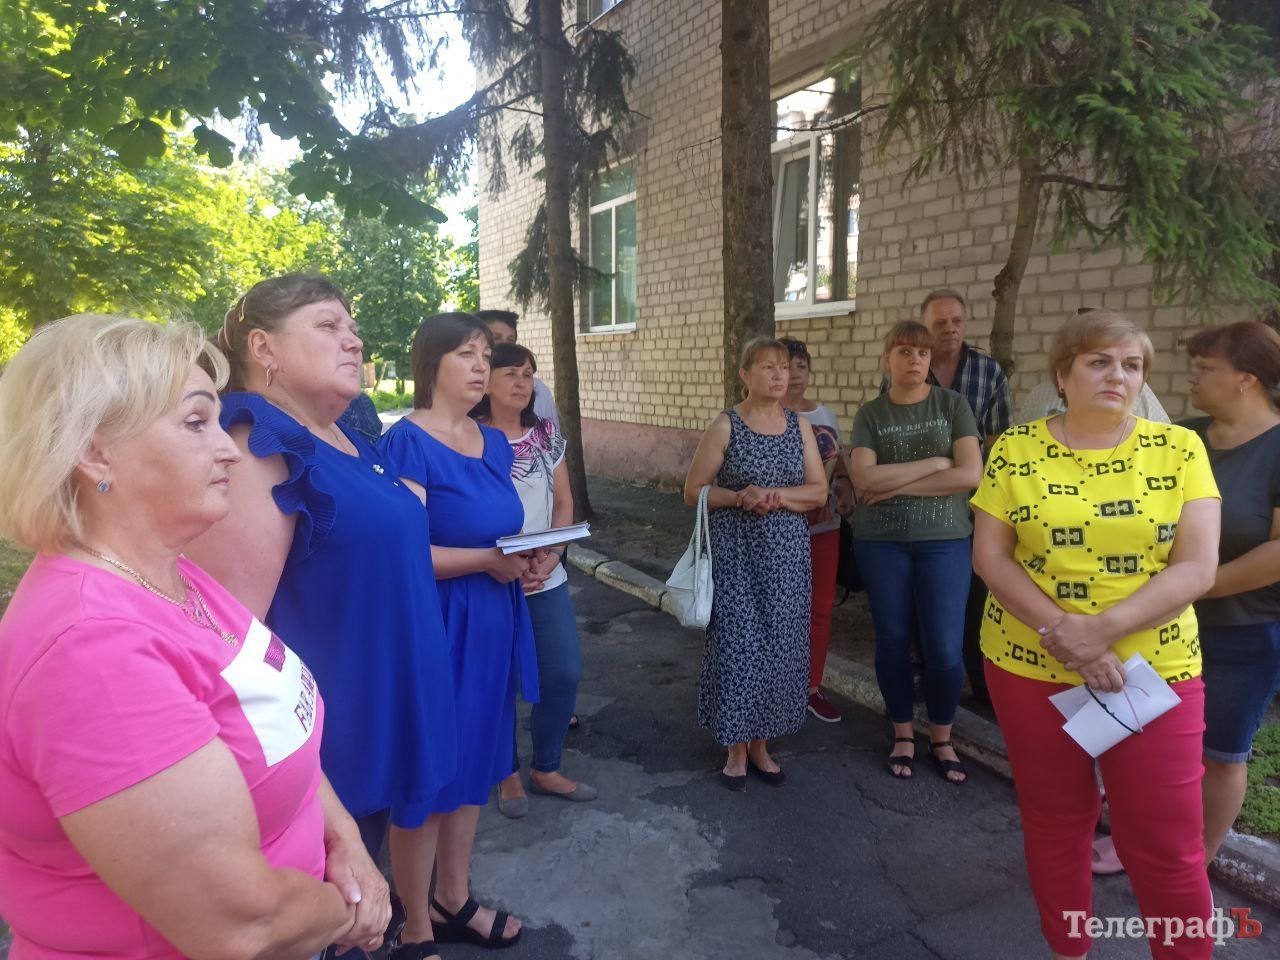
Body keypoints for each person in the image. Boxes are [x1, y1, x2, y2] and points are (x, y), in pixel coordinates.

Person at [0, 313, 390, 959]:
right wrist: (351, 908)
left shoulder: (171, 571)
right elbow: (243, 927)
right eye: (195, 421)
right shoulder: (93, 652)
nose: (230, 448)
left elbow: (271, 720)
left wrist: (345, 839)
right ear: (94, 453)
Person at [186, 274, 456, 959]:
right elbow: (229, 648)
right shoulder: (256, 441)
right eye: (329, 325)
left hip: (377, 720)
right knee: (331, 926)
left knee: (357, 920)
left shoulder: (344, 436)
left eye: (353, 327)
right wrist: (322, 811)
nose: (354, 340)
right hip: (325, 755)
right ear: (263, 348)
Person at [971, 308, 1220, 960]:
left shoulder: (1179, 449)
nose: (1118, 375)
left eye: (1132, 365)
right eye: (1099, 361)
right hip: (1030, 663)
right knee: (1056, 822)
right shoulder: (1015, 449)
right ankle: (1069, 949)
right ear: (1063, 374)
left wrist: (1099, 634)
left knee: (1165, 843)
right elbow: (991, 557)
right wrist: (1064, 634)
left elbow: (1197, 566)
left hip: (1152, 672)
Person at [379, 312, 538, 951]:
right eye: (466, 354)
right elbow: (404, 554)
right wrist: (488, 562)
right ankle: (416, 925)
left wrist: (525, 557)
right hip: (439, 624)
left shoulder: (492, 442)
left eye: (485, 355)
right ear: (431, 364)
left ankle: (453, 898)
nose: (481, 366)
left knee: (477, 761)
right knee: (431, 773)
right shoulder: (407, 443)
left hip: (494, 619)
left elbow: (495, 529)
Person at [683, 337, 828, 790]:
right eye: (768, 367)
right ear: (745, 374)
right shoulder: (725, 425)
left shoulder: (800, 425)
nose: (780, 374)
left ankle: (762, 745)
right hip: (736, 555)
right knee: (737, 647)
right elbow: (693, 491)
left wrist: (774, 496)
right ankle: (735, 748)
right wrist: (740, 498)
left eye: (785, 366)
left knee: (781, 649)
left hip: (786, 557)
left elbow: (818, 491)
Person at [849, 320, 982, 784]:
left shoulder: (953, 405)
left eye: (923, 353)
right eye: (904, 352)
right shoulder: (871, 414)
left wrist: (893, 486)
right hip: (881, 542)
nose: (915, 360)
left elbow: (970, 475)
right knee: (892, 638)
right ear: (887, 359)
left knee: (944, 646)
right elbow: (863, 477)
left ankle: (942, 737)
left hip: (945, 541)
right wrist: (934, 463)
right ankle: (903, 732)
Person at [473, 342, 596, 818]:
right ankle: (505, 774)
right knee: (498, 680)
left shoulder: (545, 435)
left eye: (528, 373)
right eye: (511, 373)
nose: (522, 382)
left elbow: (563, 502)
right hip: (490, 576)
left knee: (562, 672)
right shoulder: (469, 437)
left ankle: (546, 767)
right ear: (486, 380)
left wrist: (554, 554)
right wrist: (499, 561)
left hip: (546, 574)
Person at [881, 289, 1011, 704]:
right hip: (917, 506)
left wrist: (974, 484)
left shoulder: (988, 372)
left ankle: (981, 682)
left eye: (957, 321)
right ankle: (925, 674)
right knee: (922, 595)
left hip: (974, 504)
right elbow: (888, 435)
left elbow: (999, 442)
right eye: (940, 323)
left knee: (975, 594)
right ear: (924, 326)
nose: (950, 329)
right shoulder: (902, 370)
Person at [1183, 321, 1280, 865]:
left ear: (1247, 379)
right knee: (1156, 746)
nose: (1192, 378)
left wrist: (1192, 584)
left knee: (1220, 753)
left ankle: (1192, 863)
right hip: (1165, 626)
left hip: (1245, 632)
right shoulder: (1182, 439)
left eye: (1206, 368)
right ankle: (1148, 843)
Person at [780, 336, 852, 723]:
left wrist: (845, 487)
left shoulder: (826, 415)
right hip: (780, 529)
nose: (794, 374)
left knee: (820, 610)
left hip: (824, 528)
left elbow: (838, 465)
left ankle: (811, 688)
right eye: (786, 366)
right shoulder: (766, 416)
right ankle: (777, 687)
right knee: (781, 608)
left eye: (801, 366)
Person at [476, 309, 560, 429]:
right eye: (496, 338)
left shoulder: (538, 390)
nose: (505, 345)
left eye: (510, 340)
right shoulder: (467, 388)